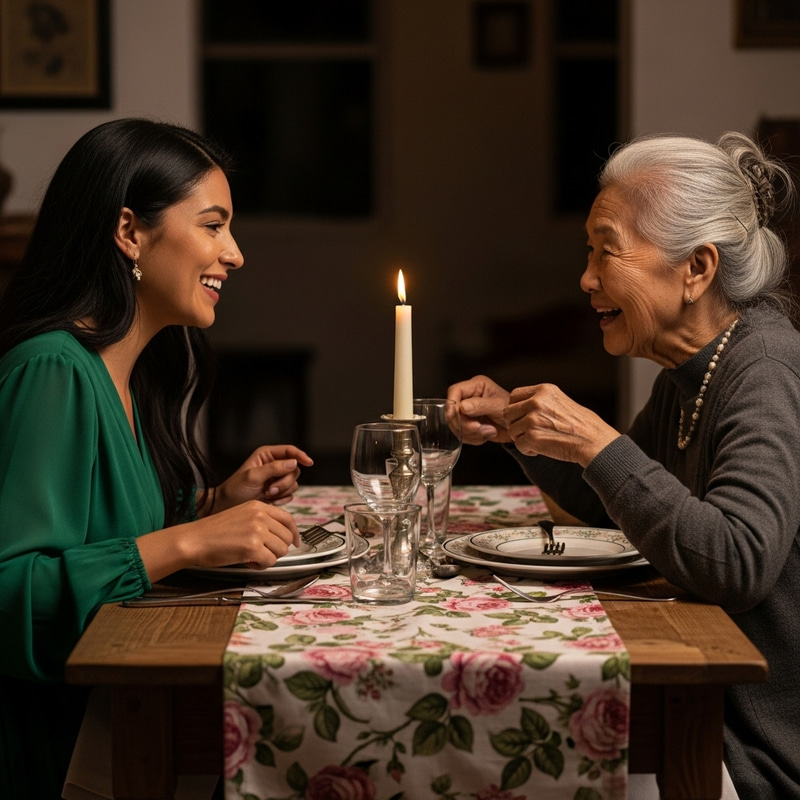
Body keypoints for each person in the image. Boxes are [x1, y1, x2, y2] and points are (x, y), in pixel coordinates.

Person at [448, 131, 800, 800]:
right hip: (698, 707)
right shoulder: (691, 371)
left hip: (749, 752)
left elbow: (738, 561)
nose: (585, 278)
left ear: (695, 269)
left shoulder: (765, 370)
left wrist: (596, 441)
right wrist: (522, 431)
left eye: (606, 250)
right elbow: (607, 500)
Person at [0, 118, 314, 799]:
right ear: (129, 233)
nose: (234, 254)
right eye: (212, 225)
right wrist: (190, 540)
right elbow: (10, 589)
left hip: (112, 709)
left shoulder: (125, 372)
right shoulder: (52, 370)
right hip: (48, 749)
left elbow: (100, 533)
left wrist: (213, 504)